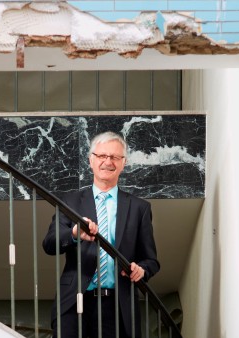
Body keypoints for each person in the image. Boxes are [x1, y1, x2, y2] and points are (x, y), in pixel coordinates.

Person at [42, 131, 160, 338]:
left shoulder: (139, 208)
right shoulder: (70, 202)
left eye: (115, 157)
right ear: (91, 160)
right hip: (75, 300)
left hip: (118, 304)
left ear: (123, 163)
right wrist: (75, 233)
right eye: (102, 156)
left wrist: (142, 270)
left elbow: (151, 260)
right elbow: (49, 244)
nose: (108, 162)